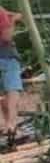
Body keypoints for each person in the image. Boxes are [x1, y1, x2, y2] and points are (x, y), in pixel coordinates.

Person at [0, 8, 20, 138]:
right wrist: (12, 21)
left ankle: (7, 125)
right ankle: (12, 124)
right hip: (6, 56)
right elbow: (6, 37)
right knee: (12, 89)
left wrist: (9, 15)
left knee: (2, 93)